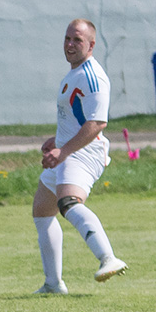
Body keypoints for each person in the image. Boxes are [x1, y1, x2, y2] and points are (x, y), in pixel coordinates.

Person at [32, 19, 127, 294]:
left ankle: (108, 258)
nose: (70, 45)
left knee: (68, 201)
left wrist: (63, 150)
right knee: (42, 209)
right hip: (70, 148)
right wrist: (57, 140)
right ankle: (53, 283)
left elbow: (97, 123)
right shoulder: (74, 73)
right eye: (67, 39)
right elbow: (77, 117)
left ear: (91, 45)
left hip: (84, 152)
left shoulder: (92, 76)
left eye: (78, 40)